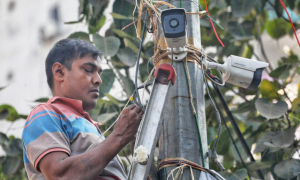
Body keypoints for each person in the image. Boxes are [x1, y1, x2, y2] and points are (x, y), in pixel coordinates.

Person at [22, 39, 143, 180]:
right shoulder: (45, 113)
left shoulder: (89, 125)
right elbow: (60, 176)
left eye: (99, 73)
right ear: (59, 72)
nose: (98, 80)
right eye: (88, 70)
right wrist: (119, 136)